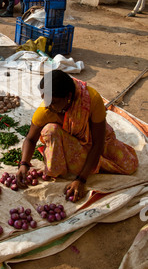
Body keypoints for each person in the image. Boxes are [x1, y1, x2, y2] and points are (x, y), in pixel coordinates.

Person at [16, 70, 139, 202]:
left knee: (128, 165)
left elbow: (98, 142)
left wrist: (81, 180)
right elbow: (30, 138)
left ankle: (89, 165)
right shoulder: (46, 110)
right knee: (50, 130)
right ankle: (88, 164)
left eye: (53, 101)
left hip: (95, 140)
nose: (48, 105)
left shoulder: (91, 99)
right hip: (70, 143)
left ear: (68, 97)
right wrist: (24, 164)